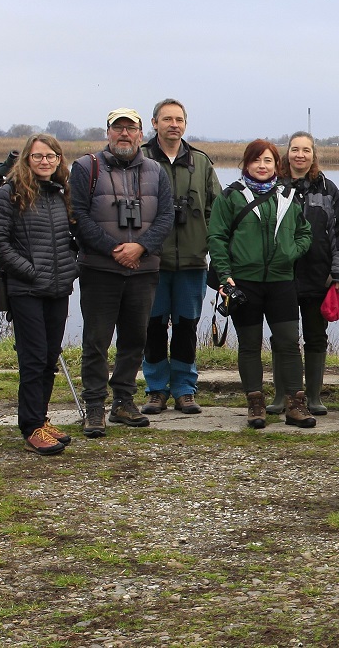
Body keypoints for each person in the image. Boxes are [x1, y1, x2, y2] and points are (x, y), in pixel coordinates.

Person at [70, 109, 175, 437]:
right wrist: (115, 250)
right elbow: (79, 217)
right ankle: (94, 407)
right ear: (108, 133)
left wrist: (140, 248)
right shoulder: (87, 167)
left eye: (131, 128)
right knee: (97, 341)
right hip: (100, 270)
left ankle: (124, 403)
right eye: (119, 129)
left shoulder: (156, 171)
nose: (125, 134)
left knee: (135, 340)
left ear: (141, 134)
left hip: (143, 271)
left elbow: (166, 216)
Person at [208, 140, 314, 428]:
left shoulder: (289, 196)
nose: (262, 166)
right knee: (249, 345)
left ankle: (295, 404)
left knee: (289, 343)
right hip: (244, 283)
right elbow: (216, 238)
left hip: (281, 282)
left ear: (276, 165)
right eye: (256, 160)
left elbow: (305, 232)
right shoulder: (230, 197)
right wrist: (224, 274)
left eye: (268, 160)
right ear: (247, 163)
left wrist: (292, 252)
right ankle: (255, 404)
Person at [0, 133, 79, 455]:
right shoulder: (10, 193)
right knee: (34, 358)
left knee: (49, 358)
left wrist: (72, 266)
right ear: (27, 159)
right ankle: (30, 427)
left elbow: (72, 239)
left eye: (51, 156)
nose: (45, 162)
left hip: (58, 289)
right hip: (26, 290)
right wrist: (29, 271)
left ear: (58, 160)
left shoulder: (60, 193)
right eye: (38, 156)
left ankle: (40, 418)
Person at [140, 99, 216, 416]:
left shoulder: (201, 162)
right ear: (154, 123)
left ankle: (185, 389)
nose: (174, 124)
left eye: (179, 119)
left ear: (185, 124)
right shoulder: (140, 159)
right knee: (153, 327)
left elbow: (217, 212)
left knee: (186, 327)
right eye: (167, 119)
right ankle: (156, 389)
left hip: (192, 263)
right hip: (151, 264)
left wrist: (211, 249)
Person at [276, 131, 339, 415]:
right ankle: (283, 396)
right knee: (283, 337)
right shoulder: (274, 187)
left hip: (318, 276)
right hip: (281, 276)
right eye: (295, 149)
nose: (300, 155)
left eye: (306, 150)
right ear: (287, 154)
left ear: (313, 155)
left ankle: (313, 397)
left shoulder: (328, 189)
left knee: (316, 337)